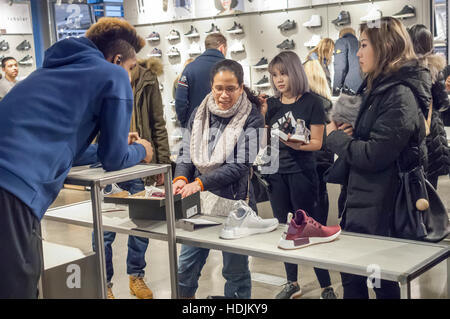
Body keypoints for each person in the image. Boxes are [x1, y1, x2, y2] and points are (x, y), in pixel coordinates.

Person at [0, 17, 154, 299]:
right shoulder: (113, 74)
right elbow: (114, 159)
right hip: (12, 192)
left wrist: (113, 144)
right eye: (132, 67)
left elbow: (62, 144)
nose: (130, 76)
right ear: (117, 59)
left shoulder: (44, 75)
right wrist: (142, 149)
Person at [326, 17, 431, 299]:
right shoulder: (380, 89)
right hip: (365, 205)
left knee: (378, 284)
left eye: (363, 45)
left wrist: (336, 138)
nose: (357, 54)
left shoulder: (398, 95)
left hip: (381, 212)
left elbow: (374, 155)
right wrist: (351, 134)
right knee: (355, 280)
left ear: (385, 47)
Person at [173, 59, 264, 299]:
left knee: (235, 273)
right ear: (211, 87)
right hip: (197, 204)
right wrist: (181, 177)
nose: (224, 94)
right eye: (219, 88)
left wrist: (200, 182)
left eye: (231, 88)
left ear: (241, 87)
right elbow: (186, 150)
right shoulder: (199, 112)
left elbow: (240, 166)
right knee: (185, 268)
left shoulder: (252, 118)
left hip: (233, 205)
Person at [259, 51, 337, 299]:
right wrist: (261, 116)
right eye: (274, 75)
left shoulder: (312, 102)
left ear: (294, 72)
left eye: (283, 73)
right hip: (276, 173)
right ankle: (291, 282)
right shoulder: (271, 105)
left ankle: (326, 285)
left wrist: (297, 145)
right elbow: (262, 141)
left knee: (309, 229)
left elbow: (317, 142)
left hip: (302, 172)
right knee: (285, 229)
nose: (279, 80)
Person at [99, 57, 171, 299]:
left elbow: (158, 123)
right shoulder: (104, 77)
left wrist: (162, 163)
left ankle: (136, 276)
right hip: (110, 165)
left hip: (140, 162)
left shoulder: (148, 80)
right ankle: (104, 283)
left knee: (141, 223)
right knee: (103, 228)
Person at [408, 24, 450, 189]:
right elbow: (443, 103)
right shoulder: (435, 69)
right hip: (432, 133)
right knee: (430, 190)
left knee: (412, 190)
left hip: (412, 130)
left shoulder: (402, 70)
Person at [303, 57, 335, 256]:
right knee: (321, 195)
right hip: (325, 157)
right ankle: (320, 229)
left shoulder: (307, 104)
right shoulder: (327, 103)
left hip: (310, 156)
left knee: (308, 197)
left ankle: (311, 230)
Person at [175, 33, 227, 127]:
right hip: (224, 126)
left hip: (196, 126)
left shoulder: (189, 68)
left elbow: (180, 101)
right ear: (222, 48)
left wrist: (186, 123)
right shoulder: (231, 69)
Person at [333, 28, 363, 96]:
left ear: (340, 35)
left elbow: (340, 67)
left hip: (349, 88)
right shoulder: (360, 43)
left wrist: (336, 88)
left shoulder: (341, 42)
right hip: (362, 85)